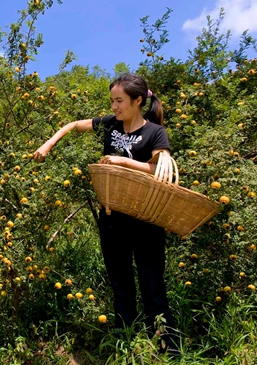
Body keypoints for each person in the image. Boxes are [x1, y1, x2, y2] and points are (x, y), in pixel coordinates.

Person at [33, 73, 180, 355]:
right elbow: (75, 125)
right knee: (120, 284)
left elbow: (160, 169)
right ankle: (126, 344)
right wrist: (50, 142)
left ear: (138, 101)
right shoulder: (111, 125)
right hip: (112, 218)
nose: (114, 107)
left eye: (119, 101)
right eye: (112, 101)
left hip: (146, 219)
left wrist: (121, 160)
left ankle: (168, 350)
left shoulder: (155, 133)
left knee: (153, 287)